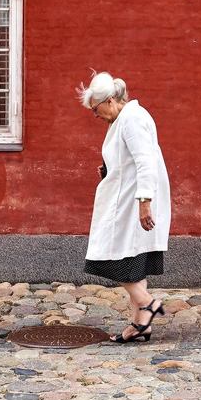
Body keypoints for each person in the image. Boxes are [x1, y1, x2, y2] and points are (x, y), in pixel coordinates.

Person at [78, 71, 171, 343]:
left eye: (95, 109)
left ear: (109, 101)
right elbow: (127, 160)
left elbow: (145, 161)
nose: (95, 115)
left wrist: (144, 202)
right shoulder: (122, 120)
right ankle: (140, 324)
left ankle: (148, 304)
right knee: (135, 262)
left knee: (109, 259)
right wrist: (110, 169)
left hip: (131, 204)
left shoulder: (132, 119)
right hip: (127, 200)